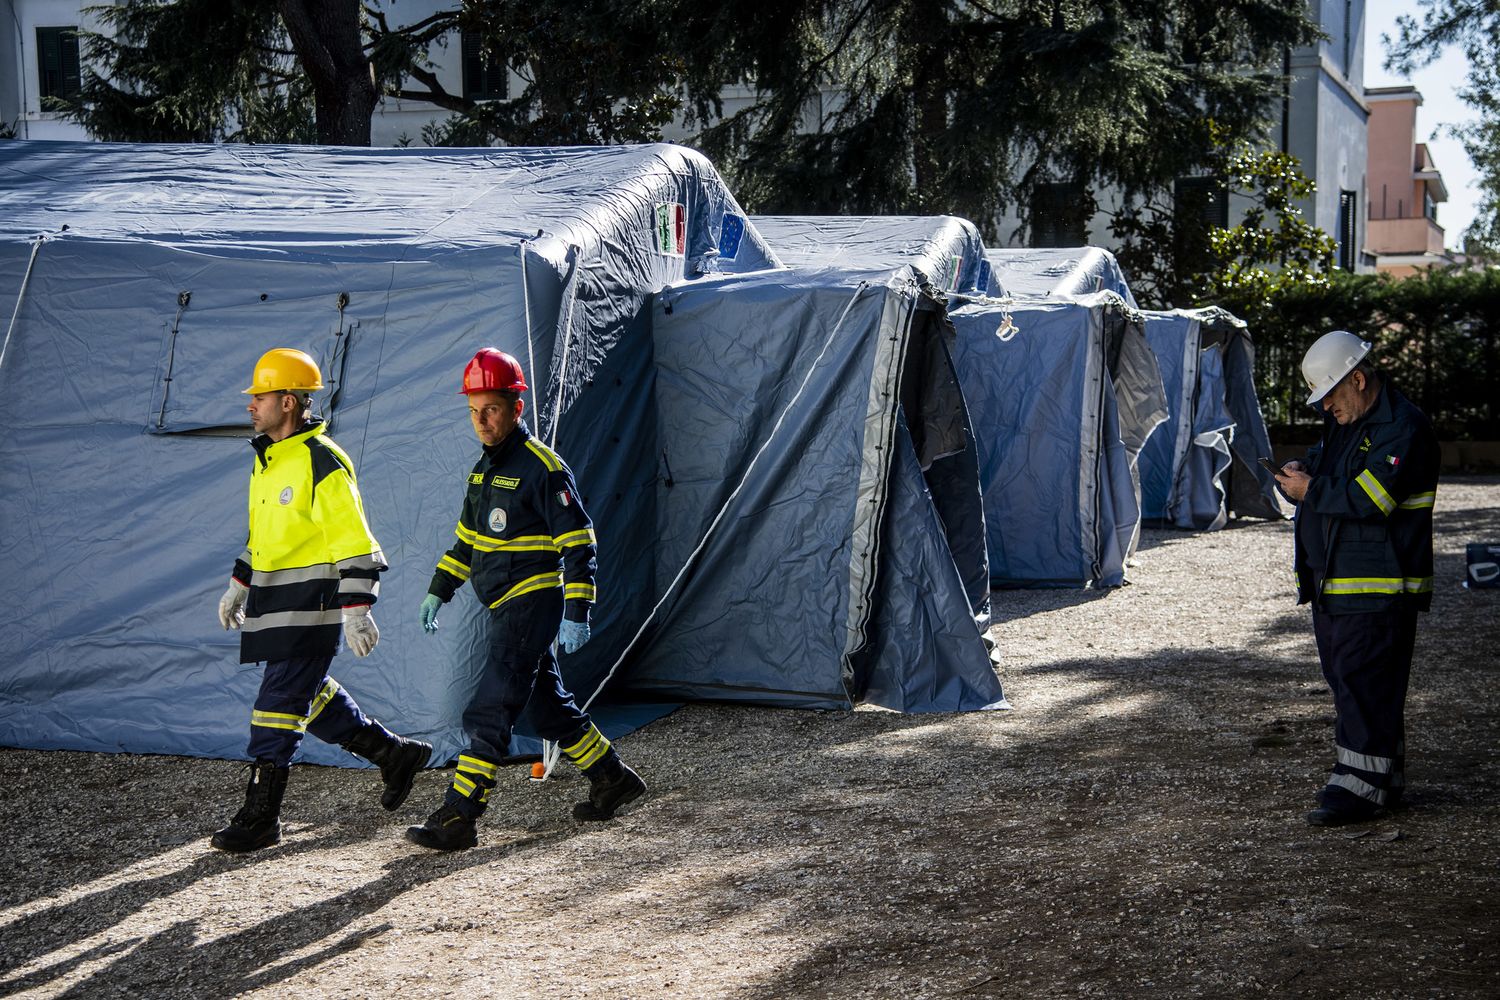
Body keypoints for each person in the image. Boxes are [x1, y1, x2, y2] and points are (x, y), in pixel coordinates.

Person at [406, 348, 645, 851]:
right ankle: (614, 779)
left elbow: (579, 542)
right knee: (549, 709)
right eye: (473, 411)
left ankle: (460, 815)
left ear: (517, 406)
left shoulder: (544, 468)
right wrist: (438, 590)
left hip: (531, 601)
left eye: (490, 409)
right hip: (501, 605)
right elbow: (467, 543)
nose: (481, 421)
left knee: (491, 705)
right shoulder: (481, 472)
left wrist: (578, 612)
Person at [213, 348, 432, 853]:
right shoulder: (267, 461)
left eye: (260, 397)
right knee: (307, 696)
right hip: (276, 606)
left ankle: (260, 818)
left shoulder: (322, 460)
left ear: (288, 402)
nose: (251, 405)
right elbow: (264, 535)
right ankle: (394, 755)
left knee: (276, 708)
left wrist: (357, 609)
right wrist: (239, 584)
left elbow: (352, 539)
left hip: (311, 608)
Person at [1273, 330, 1438, 827]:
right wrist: (1302, 472)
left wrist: (1310, 489)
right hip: (1341, 584)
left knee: (1364, 683)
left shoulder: (1402, 427)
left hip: (1377, 586)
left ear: (1358, 380)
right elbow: (1331, 476)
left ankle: (1359, 792)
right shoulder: (1354, 422)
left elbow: (1372, 498)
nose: (1324, 407)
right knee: (1355, 683)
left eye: (1328, 395)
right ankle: (1378, 779)